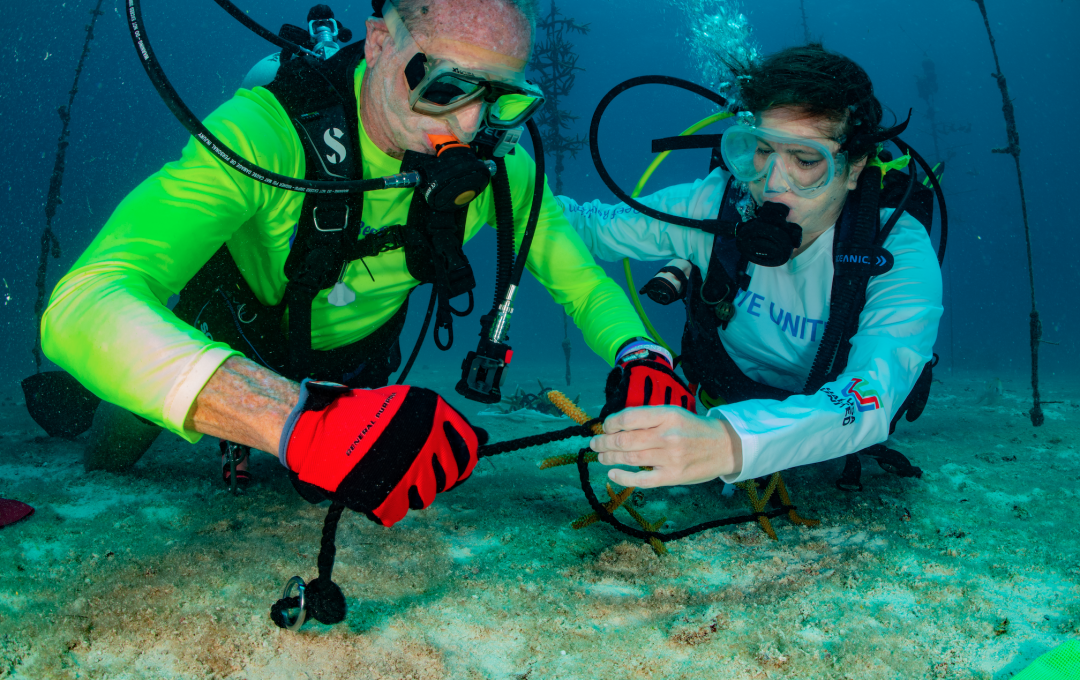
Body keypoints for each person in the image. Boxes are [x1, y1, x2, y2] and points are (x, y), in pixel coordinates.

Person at [39, 0, 691, 525]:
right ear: (380, 43)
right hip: (227, 339)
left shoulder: (503, 170)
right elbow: (80, 306)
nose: (467, 124)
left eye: (500, 97)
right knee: (108, 467)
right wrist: (286, 418)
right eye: (446, 86)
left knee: (336, 500)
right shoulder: (263, 134)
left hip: (359, 371)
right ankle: (89, 409)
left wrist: (642, 353)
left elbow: (578, 281)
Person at [561, 44, 943, 492]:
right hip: (723, 392)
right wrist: (504, 181)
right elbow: (588, 227)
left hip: (821, 422)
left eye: (805, 161)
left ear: (854, 166)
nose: (773, 183)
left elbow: (871, 395)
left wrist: (723, 444)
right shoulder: (715, 205)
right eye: (761, 151)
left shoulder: (894, 247)